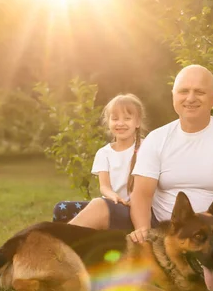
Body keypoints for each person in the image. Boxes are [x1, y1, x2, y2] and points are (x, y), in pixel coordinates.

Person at [68, 65, 213, 276]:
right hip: (156, 226)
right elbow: (141, 194)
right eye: (184, 91)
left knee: (189, 277)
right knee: (98, 207)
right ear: (174, 96)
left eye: (199, 92)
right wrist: (143, 232)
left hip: (203, 239)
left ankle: (125, 265)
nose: (190, 98)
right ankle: (52, 251)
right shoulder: (158, 138)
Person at [52, 93, 146, 225]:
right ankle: (59, 240)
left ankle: (60, 241)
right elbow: (104, 187)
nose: (120, 123)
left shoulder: (147, 148)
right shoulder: (104, 153)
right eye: (115, 119)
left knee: (97, 204)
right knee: (61, 209)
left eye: (127, 118)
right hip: (111, 204)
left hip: (134, 210)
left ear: (137, 122)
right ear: (108, 122)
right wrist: (113, 196)